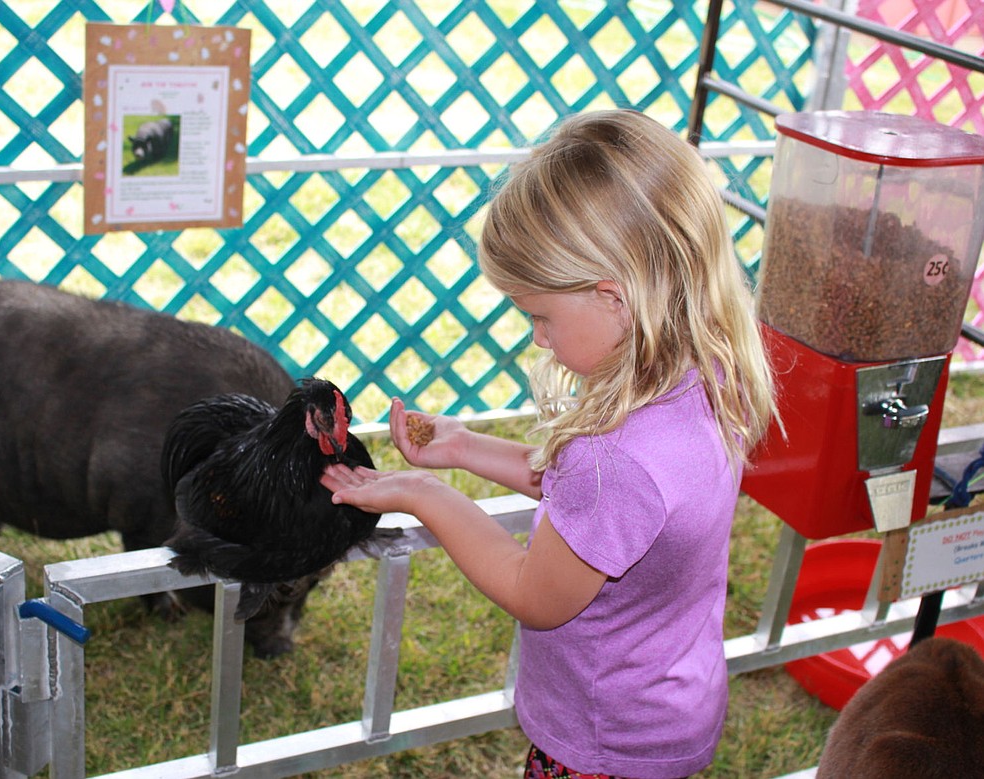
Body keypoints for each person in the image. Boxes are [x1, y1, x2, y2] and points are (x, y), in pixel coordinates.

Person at [321, 109, 776, 779]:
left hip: (603, 741)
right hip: (667, 704)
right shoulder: (697, 376)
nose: (537, 336)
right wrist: (465, 445)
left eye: (540, 314)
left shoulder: (617, 456)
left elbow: (536, 590)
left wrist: (426, 494)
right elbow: (593, 509)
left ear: (615, 296)